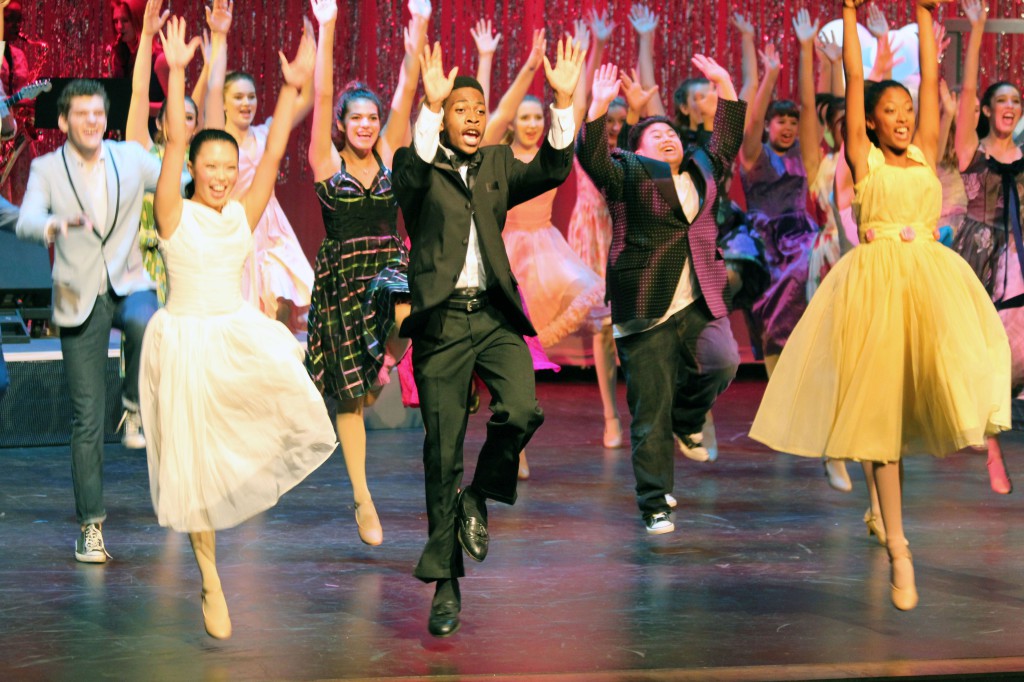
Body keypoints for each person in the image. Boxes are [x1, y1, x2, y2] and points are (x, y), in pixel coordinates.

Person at [749, 0, 1011, 612]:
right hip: (873, 287)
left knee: (937, 390)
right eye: (887, 111)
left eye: (906, 109)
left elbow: (926, 69)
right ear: (867, 122)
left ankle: (898, 505)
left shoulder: (923, 152)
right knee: (877, 421)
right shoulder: (859, 160)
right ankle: (899, 544)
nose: (901, 118)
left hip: (927, 286)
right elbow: (855, 84)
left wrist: (925, 15)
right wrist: (845, 14)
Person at [141, 17, 334, 640]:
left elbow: (274, 151)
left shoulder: (239, 217)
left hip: (235, 332)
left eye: (230, 166)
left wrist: (292, 92)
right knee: (193, 469)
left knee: (274, 413)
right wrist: (173, 73)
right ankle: (209, 575)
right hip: (186, 340)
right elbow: (173, 140)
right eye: (211, 165)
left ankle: (223, 543)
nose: (223, 175)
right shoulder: (175, 213)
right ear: (195, 166)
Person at [392, 38, 584, 637]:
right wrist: (427, 104)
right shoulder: (416, 164)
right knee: (441, 451)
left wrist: (561, 99)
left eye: (480, 109)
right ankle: (446, 583)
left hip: (494, 316)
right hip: (443, 324)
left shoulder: (499, 164)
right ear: (444, 117)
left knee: (524, 407)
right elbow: (414, 179)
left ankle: (477, 497)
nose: (474, 116)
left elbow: (553, 167)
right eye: (461, 109)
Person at [578, 56, 745, 536]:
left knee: (724, 360)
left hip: (699, 299)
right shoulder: (627, 175)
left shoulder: (701, 171)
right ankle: (655, 502)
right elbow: (592, 158)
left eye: (671, 132)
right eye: (655, 135)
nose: (669, 137)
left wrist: (726, 85)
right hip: (645, 307)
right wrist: (596, 106)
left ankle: (689, 419)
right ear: (636, 148)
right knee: (648, 414)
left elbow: (726, 139)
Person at [17, 78, 161, 562]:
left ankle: (135, 403)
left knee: (149, 320)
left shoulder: (130, 157)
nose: (92, 121)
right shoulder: (46, 167)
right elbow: (25, 220)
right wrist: (55, 224)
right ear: (63, 121)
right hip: (79, 294)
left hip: (128, 281)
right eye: (82, 114)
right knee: (86, 418)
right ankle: (91, 525)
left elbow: (176, 183)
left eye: (98, 113)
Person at [304, 0, 428, 546]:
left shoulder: (389, 157)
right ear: (342, 124)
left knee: (405, 302)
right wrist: (326, 27)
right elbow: (324, 93)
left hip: (386, 266)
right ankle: (362, 498)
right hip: (341, 282)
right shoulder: (325, 164)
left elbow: (406, 88)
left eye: (372, 118)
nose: (365, 124)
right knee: (349, 401)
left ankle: (391, 359)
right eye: (356, 118)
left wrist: (420, 25)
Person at [204, 9, 315, 330]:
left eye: (251, 97)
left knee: (279, 299)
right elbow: (211, 90)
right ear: (224, 103)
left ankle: (277, 360)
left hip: (273, 229)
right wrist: (220, 36)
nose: (246, 103)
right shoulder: (218, 139)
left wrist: (313, 49)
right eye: (238, 97)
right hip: (237, 226)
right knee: (245, 311)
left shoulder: (266, 132)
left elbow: (306, 100)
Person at [950, 0, 1022, 495]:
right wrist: (977, 31)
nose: (1010, 106)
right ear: (988, 109)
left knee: (1014, 344)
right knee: (977, 344)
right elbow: (967, 94)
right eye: (1004, 100)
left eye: (1017, 101)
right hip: (977, 249)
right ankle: (989, 442)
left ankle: (996, 417)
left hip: (1017, 255)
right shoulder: (971, 154)